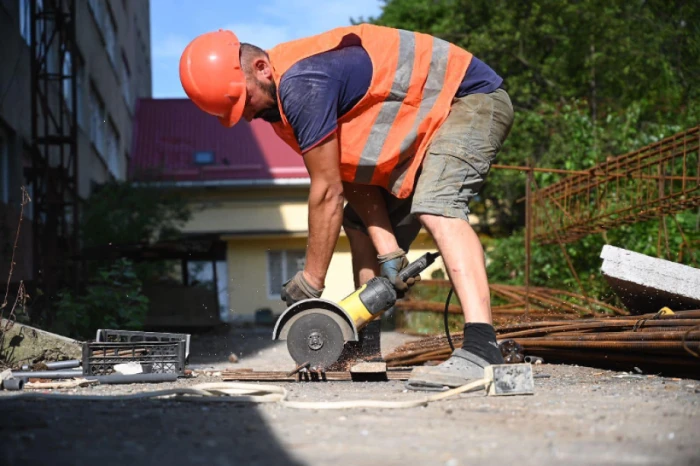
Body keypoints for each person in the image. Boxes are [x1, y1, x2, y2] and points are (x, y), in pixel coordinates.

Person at [179, 24, 514, 390]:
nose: (246, 116)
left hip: (469, 100)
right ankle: (363, 351)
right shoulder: (280, 111)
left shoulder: (301, 84)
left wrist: (311, 281)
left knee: (437, 204)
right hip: (428, 126)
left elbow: (327, 193)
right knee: (356, 225)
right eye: (236, 111)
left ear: (261, 67)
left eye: (245, 101)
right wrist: (388, 250)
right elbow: (348, 175)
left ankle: (482, 349)